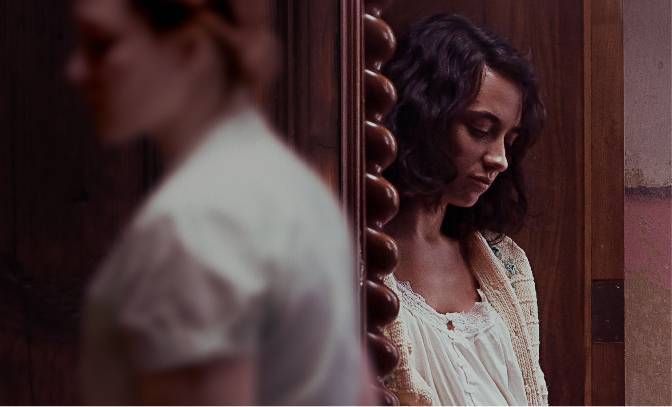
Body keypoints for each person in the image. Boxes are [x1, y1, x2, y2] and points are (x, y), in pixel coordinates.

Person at [67, 0, 368, 404]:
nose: (77, 71)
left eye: (101, 45)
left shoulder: (194, 223)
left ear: (189, 50)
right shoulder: (297, 189)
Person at [380, 14, 549, 406]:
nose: (500, 159)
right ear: (424, 116)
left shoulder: (506, 264)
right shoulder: (356, 260)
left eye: (509, 139)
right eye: (481, 130)